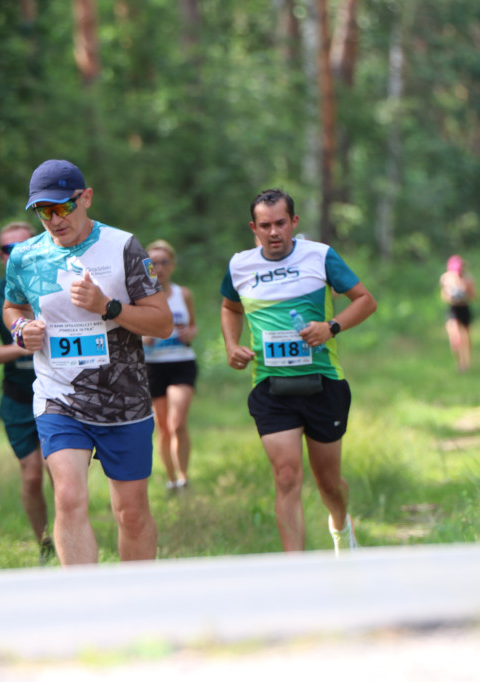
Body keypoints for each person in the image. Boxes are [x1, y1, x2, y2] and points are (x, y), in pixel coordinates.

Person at [3, 159, 173, 566]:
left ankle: (136, 607)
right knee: (68, 497)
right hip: (58, 396)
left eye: (63, 207)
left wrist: (108, 306)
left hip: (124, 400)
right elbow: (11, 306)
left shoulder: (122, 246)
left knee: (130, 513)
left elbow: (163, 322)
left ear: (86, 197)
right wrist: (20, 328)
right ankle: (86, 608)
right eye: (44, 211)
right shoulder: (25, 256)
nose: (54, 219)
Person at [220, 188, 377, 556]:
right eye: (265, 226)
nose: (274, 232)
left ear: (294, 222)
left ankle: (340, 527)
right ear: (253, 228)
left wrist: (330, 327)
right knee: (287, 476)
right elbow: (230, 308)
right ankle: (296, 569)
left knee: (328, 483)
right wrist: (231, 344)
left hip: (323, 382)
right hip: (271, 387)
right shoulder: (240, 265)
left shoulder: (319, 256)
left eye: (280, 223)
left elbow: (366, 301)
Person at [0, 221, 54, 564]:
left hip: (57, 395)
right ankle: (45, 544)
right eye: (8, 249)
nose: (15, 254)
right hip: (18, 399)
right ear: (1, 255)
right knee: (33, 474)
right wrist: (21, 346)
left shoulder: (54, 283)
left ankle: (68, 538)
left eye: (23, 246)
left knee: (61, 475)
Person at [142, 239, 198, 491]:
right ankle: (172, 478)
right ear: (146, 267)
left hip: (181, 363)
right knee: (163, 427)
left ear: (173, 265)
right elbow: (131, 331)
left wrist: (190, 333)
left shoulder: (183, 294)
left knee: (177, 423)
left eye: (164, 262)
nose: (159, 268)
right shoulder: (139, 298)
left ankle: (184, 476)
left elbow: (193, 325)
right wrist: (144, 336)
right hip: (153, 366)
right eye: (153, 263)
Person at [439, 255, 477, 372]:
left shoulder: (468, 279)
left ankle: (466, 362)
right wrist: (451, 297)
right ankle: (459, 362)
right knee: (455, 337)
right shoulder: (446, 279)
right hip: (453, 309)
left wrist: (465, 291)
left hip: (464, 308)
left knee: (466, 337)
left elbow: (474, 296)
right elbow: (444, 296)